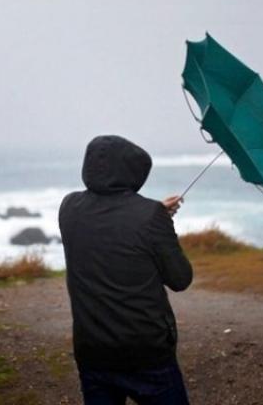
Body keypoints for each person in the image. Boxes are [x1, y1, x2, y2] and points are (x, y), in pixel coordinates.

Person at [59, 135, 193, 405]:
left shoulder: (69, 207)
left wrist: (154, 215)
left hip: (92, 348)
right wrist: (160, 222)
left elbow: (112, 223)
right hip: (146, 351)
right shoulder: (149, 216)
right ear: (135, 172)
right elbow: (180, 279)